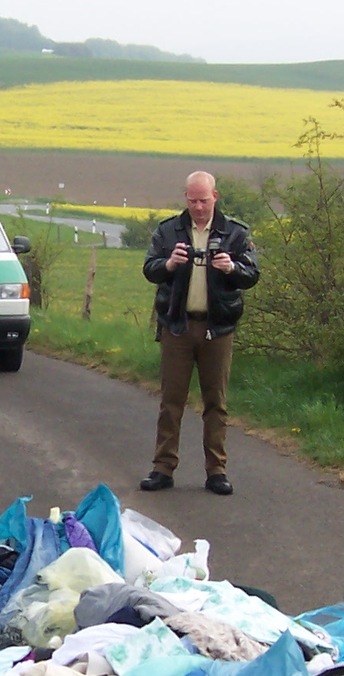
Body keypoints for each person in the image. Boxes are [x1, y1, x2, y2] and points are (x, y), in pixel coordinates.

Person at [139, 171, 260, 495]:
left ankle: (216, 471)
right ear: (185, 198)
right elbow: (149, 269)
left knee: (215, 402)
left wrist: (230, 267)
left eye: (203, 200)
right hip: (177, 326)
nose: (198, 207)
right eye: (192, 200)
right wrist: (169, 264)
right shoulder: (168, 231)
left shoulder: (235, 233)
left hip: (217, 328)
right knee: (171, 401)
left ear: (215, 197)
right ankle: (163, 468)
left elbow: (252, 275)